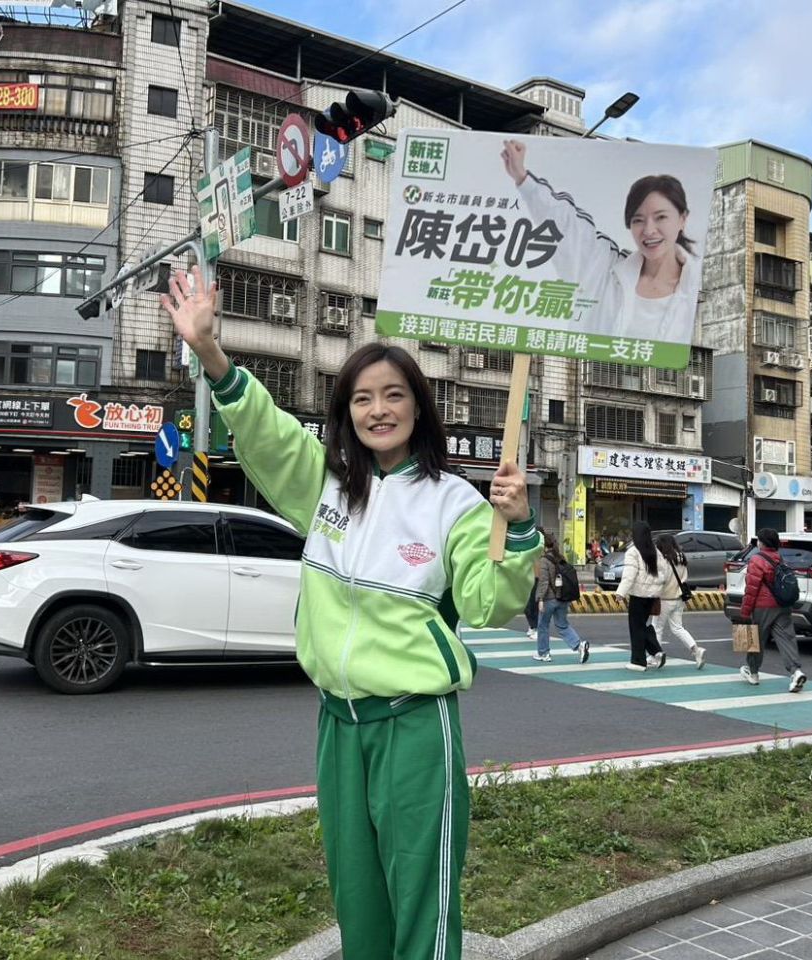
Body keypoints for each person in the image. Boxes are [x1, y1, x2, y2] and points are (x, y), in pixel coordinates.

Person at [161, 265, 540, 960]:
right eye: (362, 399)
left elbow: (490, 603)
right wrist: (211, 353)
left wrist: (515, 530)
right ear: (346, 413)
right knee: (357, 899)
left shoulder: (453, 502)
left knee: (420, 902)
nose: (378, 410)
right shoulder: (330, 486)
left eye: (394, 395)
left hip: (415, 728)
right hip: (339, 724)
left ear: (419, 408)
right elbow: (269, 435)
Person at [500, 139, 701, 345]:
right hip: (588, 376)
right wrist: (523, 178)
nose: (649, 230)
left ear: (682, 219)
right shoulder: (604, 269)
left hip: (653, 378)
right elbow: (566, 224)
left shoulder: (695, 285)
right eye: (638, 220)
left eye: (661, 217)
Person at [739, 528, 806, 692]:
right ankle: (795, 672)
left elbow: (751, 588)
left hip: (762, 607)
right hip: (782, 605)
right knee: (786, 639)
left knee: (755, 640)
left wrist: (745, 612)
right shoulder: (780, 558)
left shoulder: (756, 560)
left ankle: (753, 672)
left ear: (761, 542)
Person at [615, 520, 667, 671]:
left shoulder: (633, 551)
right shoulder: (656, 551)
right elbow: (664, 574)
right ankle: (655, 651)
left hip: (638, 595)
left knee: (636, 628)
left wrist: (620, 593)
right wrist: (656, 589)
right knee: (641, 626)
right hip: (652, 596)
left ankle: (638, 661)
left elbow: (629, 576)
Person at [533, 530, 589, 664]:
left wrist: (540, 599)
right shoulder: (561, 558)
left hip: (549, 599)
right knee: (562, 625)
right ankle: (579, 645)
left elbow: (544, 582)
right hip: (563, 598)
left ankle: (544, 653)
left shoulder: (545, 561)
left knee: (543, 626)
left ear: (544, 546)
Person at [654, 532, 706, 669]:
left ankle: (657, 655)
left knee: (657, 628)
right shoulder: (681, 557)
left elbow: (661, 580)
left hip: (665, 598)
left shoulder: (663, 560)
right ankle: (696, 650)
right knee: (678, 628)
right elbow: (684, 578)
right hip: (679, 598)